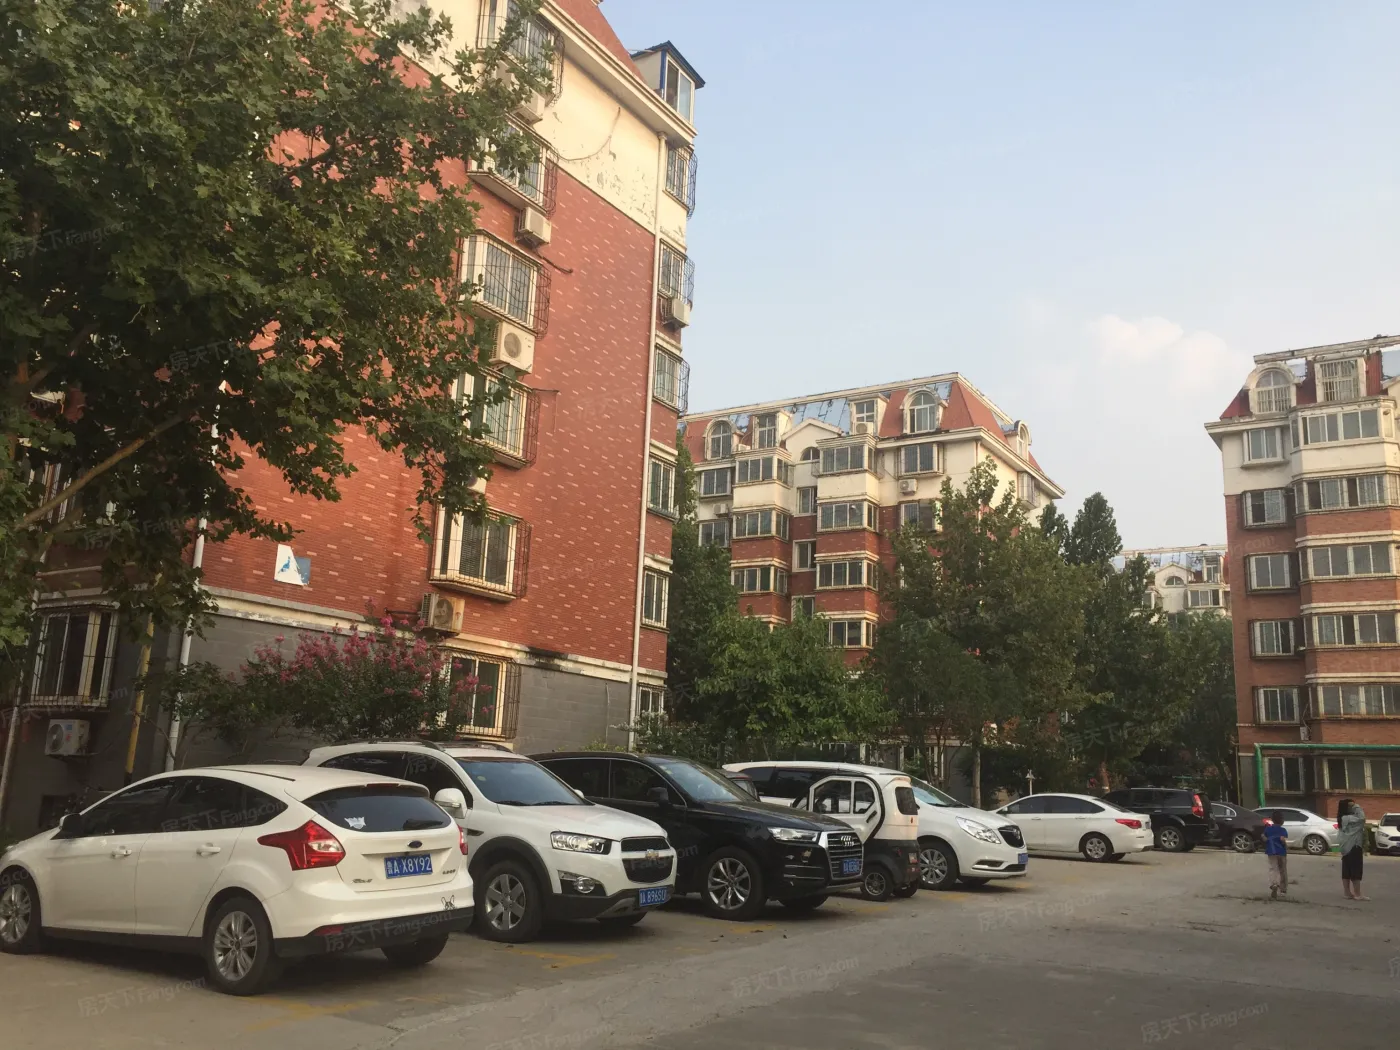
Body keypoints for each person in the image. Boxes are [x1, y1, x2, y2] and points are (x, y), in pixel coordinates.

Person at [1337, 798, 1368, 901]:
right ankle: (1357, 894)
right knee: (1356, 870)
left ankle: (1347, 893)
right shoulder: (1350, 818)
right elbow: (1362, 818)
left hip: (1345, 847)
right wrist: (1356, 805)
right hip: (1354, 846)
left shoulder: (1342, 818)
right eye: (1351, 806)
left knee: (1346, 870)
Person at [1263, 810, 1289, 900]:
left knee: (1273, 868)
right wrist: (1286, 846)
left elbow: (1263, 837)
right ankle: (1283, 890)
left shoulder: (1268, 829)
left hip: (1271, 852)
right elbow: (1282, 839)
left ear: (1273, 820)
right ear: (1282, 821)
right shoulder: (1283, 830)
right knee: (1282, 870)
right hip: (1281, 852)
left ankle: (1273, 884)